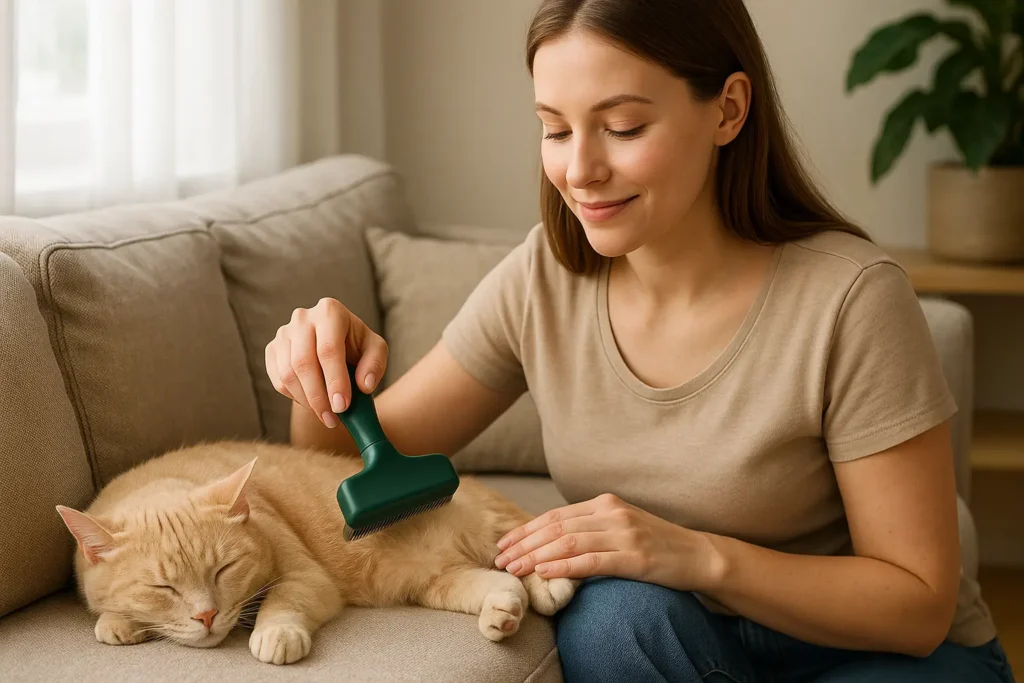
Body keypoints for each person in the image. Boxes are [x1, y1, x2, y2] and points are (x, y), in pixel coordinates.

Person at [264, 1, 1015, 681]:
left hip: (878, 655)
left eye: (622, 127)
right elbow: (344, 469)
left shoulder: (851, 297)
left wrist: (695, 555)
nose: (579, 170)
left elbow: (916, 604)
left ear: (728, 110)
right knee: (613, 616)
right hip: (683, 648)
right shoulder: (544, 280)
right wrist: (322, 371)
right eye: (555, 129)